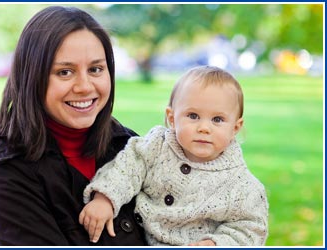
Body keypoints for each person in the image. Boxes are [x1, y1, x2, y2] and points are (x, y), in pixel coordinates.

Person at [0, 6, 147, 246]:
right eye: (65, 72)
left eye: (96, 69)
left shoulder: (132, 147)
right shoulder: (6, 177)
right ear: (32, 77)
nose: (84, 86)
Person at [79, 65, 269, 246]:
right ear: (172, 118)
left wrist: (217, 243)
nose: (204, 128)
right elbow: (127, 168)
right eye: (193, 116)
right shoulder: (156, 147)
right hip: (136, 237)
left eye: (217, 119)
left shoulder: (241, 185)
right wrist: (105, 198)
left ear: (235, 128)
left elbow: (251, 228)